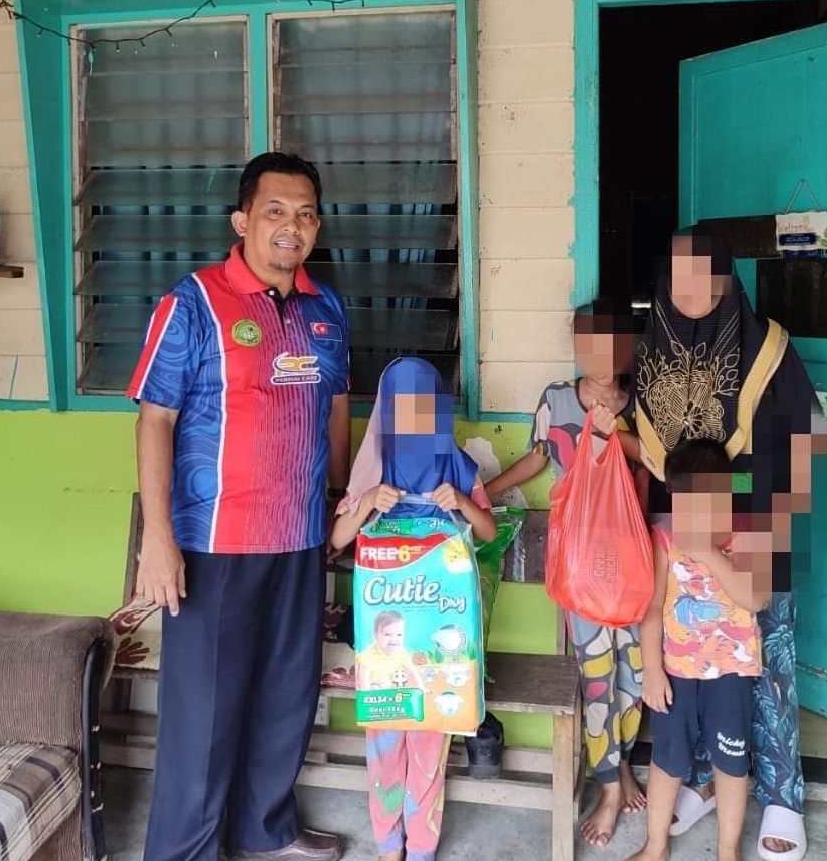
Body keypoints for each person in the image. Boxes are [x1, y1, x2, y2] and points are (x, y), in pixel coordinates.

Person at [129, 151, 350, 861]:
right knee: (204, 715)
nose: (292, 226)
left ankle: (265, 829)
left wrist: (338, 500)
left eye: (305, 214)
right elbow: (155, 420)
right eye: (275, 211)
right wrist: (158, 539)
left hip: (300, 537)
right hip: (213, 543)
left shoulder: (325, 308)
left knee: (287, 697)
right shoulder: (193, 302)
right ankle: (184, 851)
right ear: (242, 220)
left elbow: (336, 405)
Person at [633, 229, 823, 861]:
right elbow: (647, 444)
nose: (692, 287)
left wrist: (753, 509)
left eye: (705, 273)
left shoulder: (767, 349)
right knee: (691, 665)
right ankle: (704, 779)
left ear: (727, 277)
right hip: (679, 533)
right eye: (680, 273)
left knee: (765, 664)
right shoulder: (652, 345)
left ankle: (782, 796)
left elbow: (804, 442)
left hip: (753, 525)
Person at [485, 299, 650, 848]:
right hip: (580, 565)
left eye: (611, 343)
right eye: (589, 342)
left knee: (636, 672)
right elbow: (538, 458)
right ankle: (610, 784)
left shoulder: (642, 401)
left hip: (630, 561)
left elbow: (658, 462)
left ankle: (621, 761)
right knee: (596, 673)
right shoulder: (556, 399)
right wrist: (485, 493)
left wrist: (614, 432)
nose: (600, 355)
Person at [330, 357, 497, 861]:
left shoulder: (458, 466)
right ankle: (388, 847)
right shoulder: (372, 468)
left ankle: (420, 848)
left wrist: (461, 502)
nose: (416, 420)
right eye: (404, 409)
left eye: (426, 408)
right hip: (383, 646)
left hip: (438, 646)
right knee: (384, 747)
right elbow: (335, 540)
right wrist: (366, 503)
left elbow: (488, 532)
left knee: (429, 747)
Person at [627, 438, 771, 861]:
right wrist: (652, 671)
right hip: (676, 673)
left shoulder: (749, 534)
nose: (690, 514)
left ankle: (728, 851)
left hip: (731, 674)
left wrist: (709, 551)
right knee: (668, 760)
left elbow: (755, 598)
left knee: (731, 761)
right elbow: (652, 610)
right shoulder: (664, 539)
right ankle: (655, 846)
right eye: (682, 502)